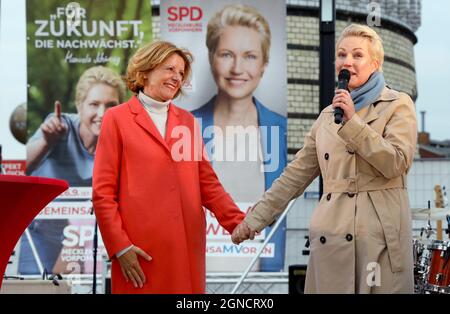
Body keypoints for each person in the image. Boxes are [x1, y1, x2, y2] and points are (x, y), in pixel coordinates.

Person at [232, 24, 418, 294]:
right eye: (342, 55)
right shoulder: (327, 117)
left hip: (378, 240)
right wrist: (254, 220)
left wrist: (353, 122)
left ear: (375, 63)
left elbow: (396, 162)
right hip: (331, 236)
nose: (348, 62)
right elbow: (295, 175)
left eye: (357, 55)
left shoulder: (398, 104)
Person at [92, 40, 245, 294]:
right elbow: (102, 193)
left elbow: (207, 183)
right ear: (145, 71)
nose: (177, 77)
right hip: (139, 253)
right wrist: (120, 247)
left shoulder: (187, 122)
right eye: (169, 69)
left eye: (181, 73)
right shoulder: (116, 119)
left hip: (185, 249)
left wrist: (238, 221)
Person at [191, 4, 287, 271]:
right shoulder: (185, 127)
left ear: (265, 64)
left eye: (250, 56)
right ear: (211, 58)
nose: (237, 68)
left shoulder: (279, 129)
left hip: (262, 281)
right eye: (226, 54)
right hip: (197, 276)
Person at [20, 66, 126, 275]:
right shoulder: (60, 127)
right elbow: (22, 167)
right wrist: (46, 142)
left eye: (111, 105)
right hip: (39, 232)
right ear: (79, 106)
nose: (102, 114)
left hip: (82, 236)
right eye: (94, 104)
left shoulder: (121, 143)